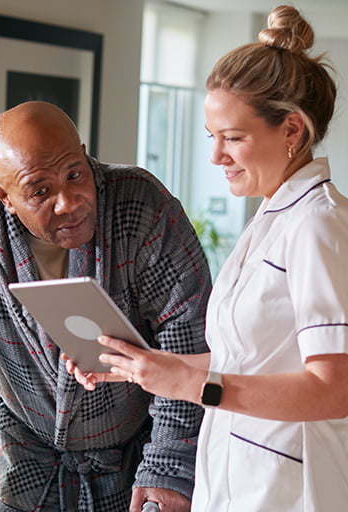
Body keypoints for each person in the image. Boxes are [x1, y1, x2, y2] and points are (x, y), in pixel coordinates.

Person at [68, 5, 348, 511]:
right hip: (238, 478)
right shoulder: (271, 218)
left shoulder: (318, 225)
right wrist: (145, 366)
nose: (216, 156)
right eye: (211, 137)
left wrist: (193, 384)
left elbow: (334, 389)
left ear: (291, 130)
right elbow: (249, 360)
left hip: (290, 492)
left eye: (233, 138)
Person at [0, 100, 212, 511]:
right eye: (41, 191)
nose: (69, 201)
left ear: (83, 152)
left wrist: (169, 465)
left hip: (136, 450)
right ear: (4, 197)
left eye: (75, 174)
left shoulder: (141, 206)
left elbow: (187, 344)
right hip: (27, 449)